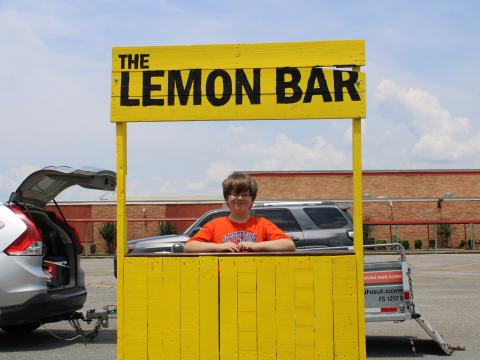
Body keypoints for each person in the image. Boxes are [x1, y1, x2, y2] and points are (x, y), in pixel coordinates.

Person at [184, 172, 295, 253]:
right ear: (227, 199)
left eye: (245, 194)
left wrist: (256, 246)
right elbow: (189, 247)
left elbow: (289, 245)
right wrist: (218, 247)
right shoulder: (215, 225)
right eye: (235, 194)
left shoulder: (262, 224)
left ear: (252, 200)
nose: (240, 198)